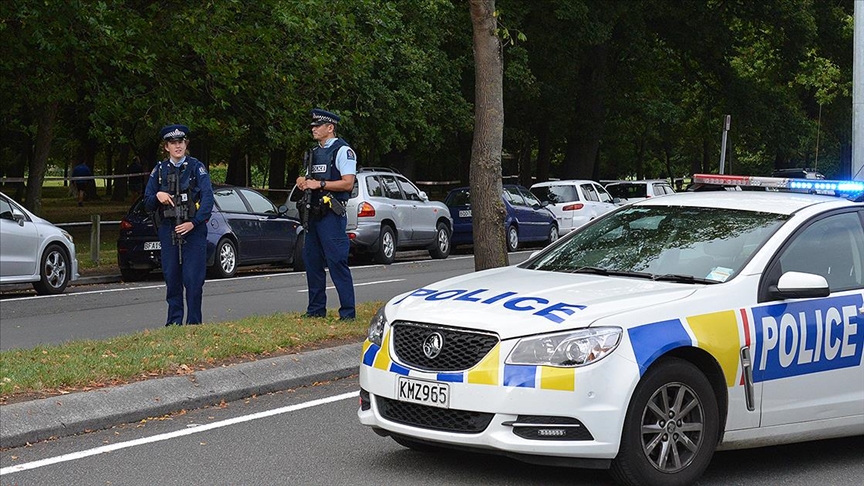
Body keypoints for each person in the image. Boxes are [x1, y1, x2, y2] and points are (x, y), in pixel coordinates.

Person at [144, 124, 214, 326]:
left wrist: (194, 223)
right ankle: (173, 323)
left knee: (193, 280)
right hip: (169, 229)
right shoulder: (159, 171)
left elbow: (208, 200)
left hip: (193, 230)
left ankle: (194, 323)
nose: (177, 146)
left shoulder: (196, 167)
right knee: (172, 277)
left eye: (180, 142)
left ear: (186, 144)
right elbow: (147, 201)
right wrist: (158, 195)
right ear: (166, 147)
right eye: (173, 143)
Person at [295, 108, 357, 320]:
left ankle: (348, 313)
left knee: (337, 262)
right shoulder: (313, 152)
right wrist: (302, 181)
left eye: (317, 126)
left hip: (331, 214)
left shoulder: (343, 151)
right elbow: (307, 177)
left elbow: (348, 183)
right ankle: (315, 310)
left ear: (330, 128)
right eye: (313, 126)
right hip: (313, 213)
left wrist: (320, 183)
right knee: (312, 261)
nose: (313, 129)